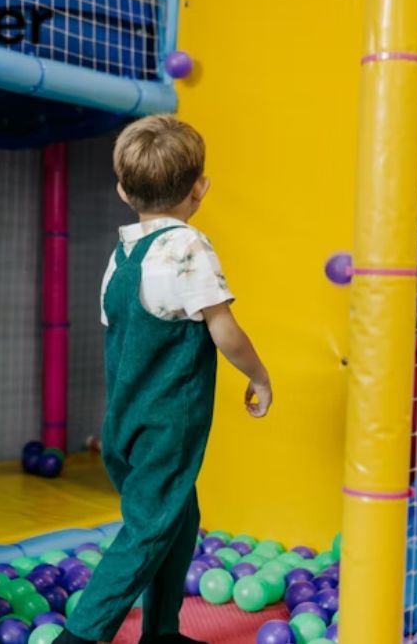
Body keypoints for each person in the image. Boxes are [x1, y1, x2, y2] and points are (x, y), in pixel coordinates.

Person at [55, 115, 272, 644]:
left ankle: (162, 631)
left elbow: (124, 337)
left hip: (125, 423)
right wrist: (259, 375)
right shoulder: (187, 248)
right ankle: (80, 636)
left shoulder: (122, 254)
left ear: (123, 190)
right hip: (166, 426)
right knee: (148, 530)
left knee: (179, 516)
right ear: (200, 189)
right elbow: (224, 329)